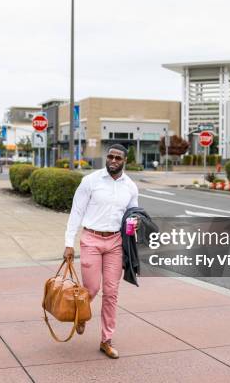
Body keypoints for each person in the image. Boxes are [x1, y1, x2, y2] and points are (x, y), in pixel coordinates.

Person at [63, 144, 139, 359]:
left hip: (115, 242)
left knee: (111, 293)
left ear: (125, 161)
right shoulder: (91, 181)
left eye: (118, 158)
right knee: (92, 288)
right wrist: (69, 243)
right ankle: (81, 315)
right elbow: (76, 212)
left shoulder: (131, 187)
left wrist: (135, 222)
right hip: (91, 239)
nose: (113, 160)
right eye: (111, 156)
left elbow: (133, 213)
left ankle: (106, 340)